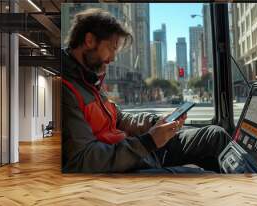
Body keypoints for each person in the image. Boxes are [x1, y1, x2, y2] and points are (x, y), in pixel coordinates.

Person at [62, 8, 231, 173]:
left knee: (215, 134)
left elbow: (119, 118)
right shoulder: (66, 89)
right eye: (111, 48)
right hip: (130, 166)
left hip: (142, 152)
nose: (112, 58)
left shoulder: (91, 80)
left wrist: (154, 123)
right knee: (204, 176)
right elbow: (82, 159)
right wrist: (148, 142)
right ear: (90, 40)